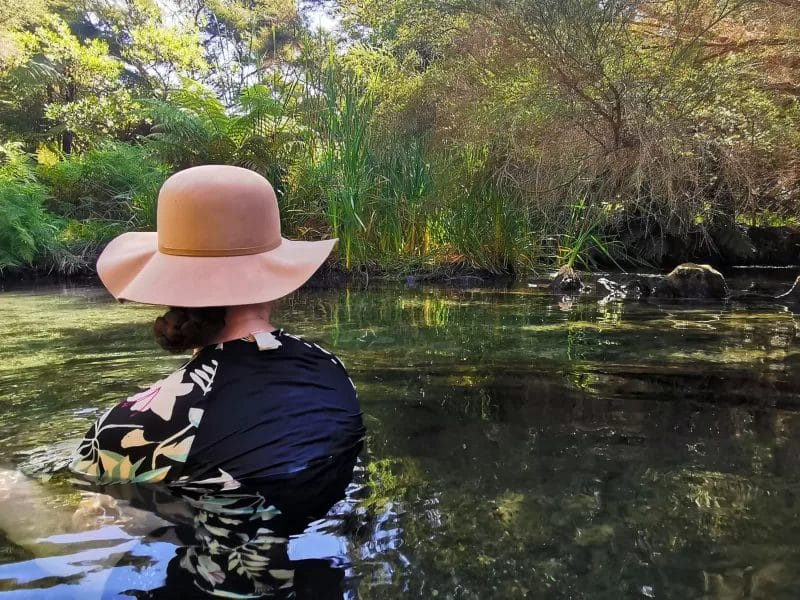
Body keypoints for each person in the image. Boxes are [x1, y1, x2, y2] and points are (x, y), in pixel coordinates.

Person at [68, 164, 366, 597]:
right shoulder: (331, 370)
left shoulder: (136, 424)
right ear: (277, 276)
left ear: (169, 282)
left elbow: (86, 530)